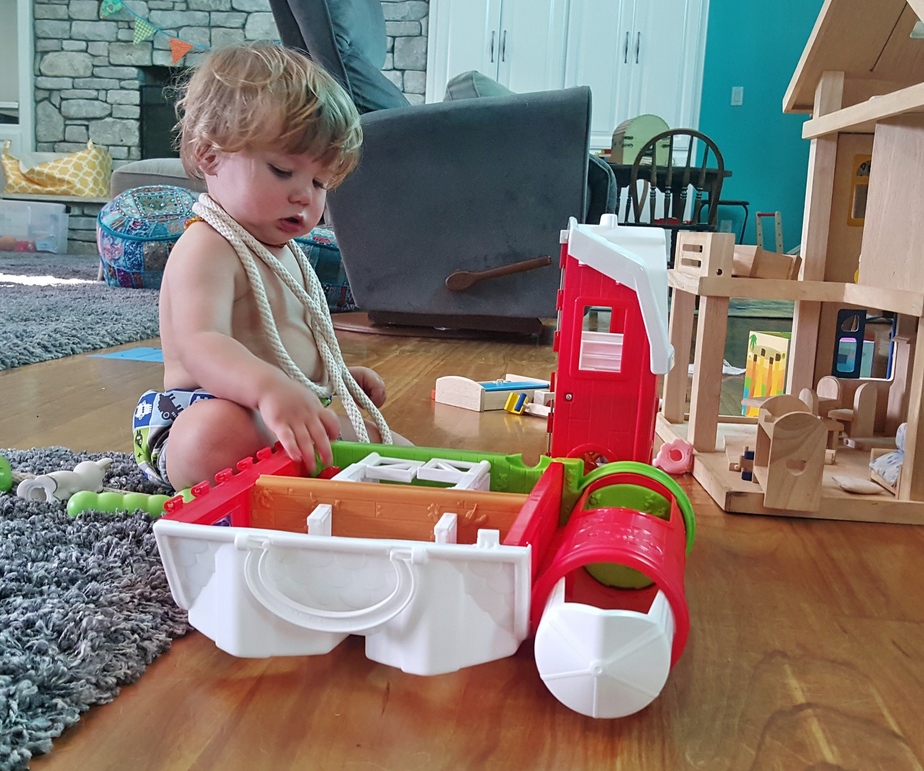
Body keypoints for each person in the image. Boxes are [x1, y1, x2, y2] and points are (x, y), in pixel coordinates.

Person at [131, 42, 406, 492]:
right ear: (209, 154)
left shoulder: (288, 252)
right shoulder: (207, 245)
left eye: (319, 182)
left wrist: (332, 377)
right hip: (199, 413)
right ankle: (295, 479)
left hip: (270, 414)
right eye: (282, 171)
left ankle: (388, 481)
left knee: (385, 444)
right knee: (212, 435)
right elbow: (201, 344)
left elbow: (289, 339)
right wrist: (268, 389)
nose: (304, 195)